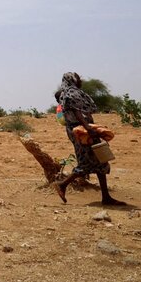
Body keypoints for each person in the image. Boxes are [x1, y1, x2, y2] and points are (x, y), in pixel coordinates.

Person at [52, 72, 125, 206]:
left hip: (84, 128)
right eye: (77, 78)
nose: (80, 80)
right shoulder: (69, 94)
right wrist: (87, 127)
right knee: (86, 162)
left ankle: (106, 197)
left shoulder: (71, 93)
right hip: (80, 130)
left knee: (101, 161)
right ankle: (62, 184)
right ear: (72, 80)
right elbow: (76, 111)